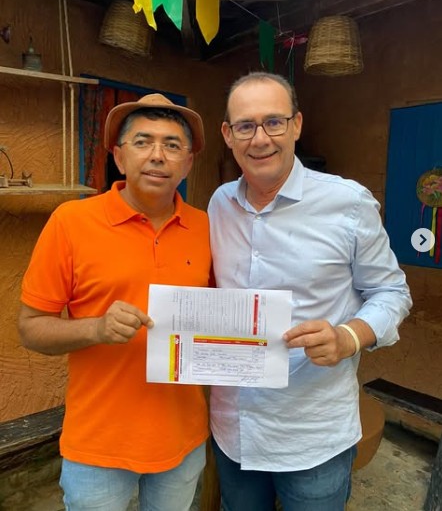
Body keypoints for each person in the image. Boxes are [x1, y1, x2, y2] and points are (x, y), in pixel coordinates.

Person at [208, 72, 412, 511]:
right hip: (233, 428)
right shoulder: (219, 203)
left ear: (296, 125)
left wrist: (349, 337)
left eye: (273, 122)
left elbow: (392, 291)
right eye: (245, 125)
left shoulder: (349, 202)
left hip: (312, 435)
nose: (260, 139)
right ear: (227, 135)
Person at [18, 93, 212, 511]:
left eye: (172, 145)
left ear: (187, 163)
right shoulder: (71, 222)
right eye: (142, 142)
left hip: (183, 438)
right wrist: (96, 328)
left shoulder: (206, 228)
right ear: (119, 157)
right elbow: (30, 328)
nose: (157, 155)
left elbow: (220, 321)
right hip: (98, 445)